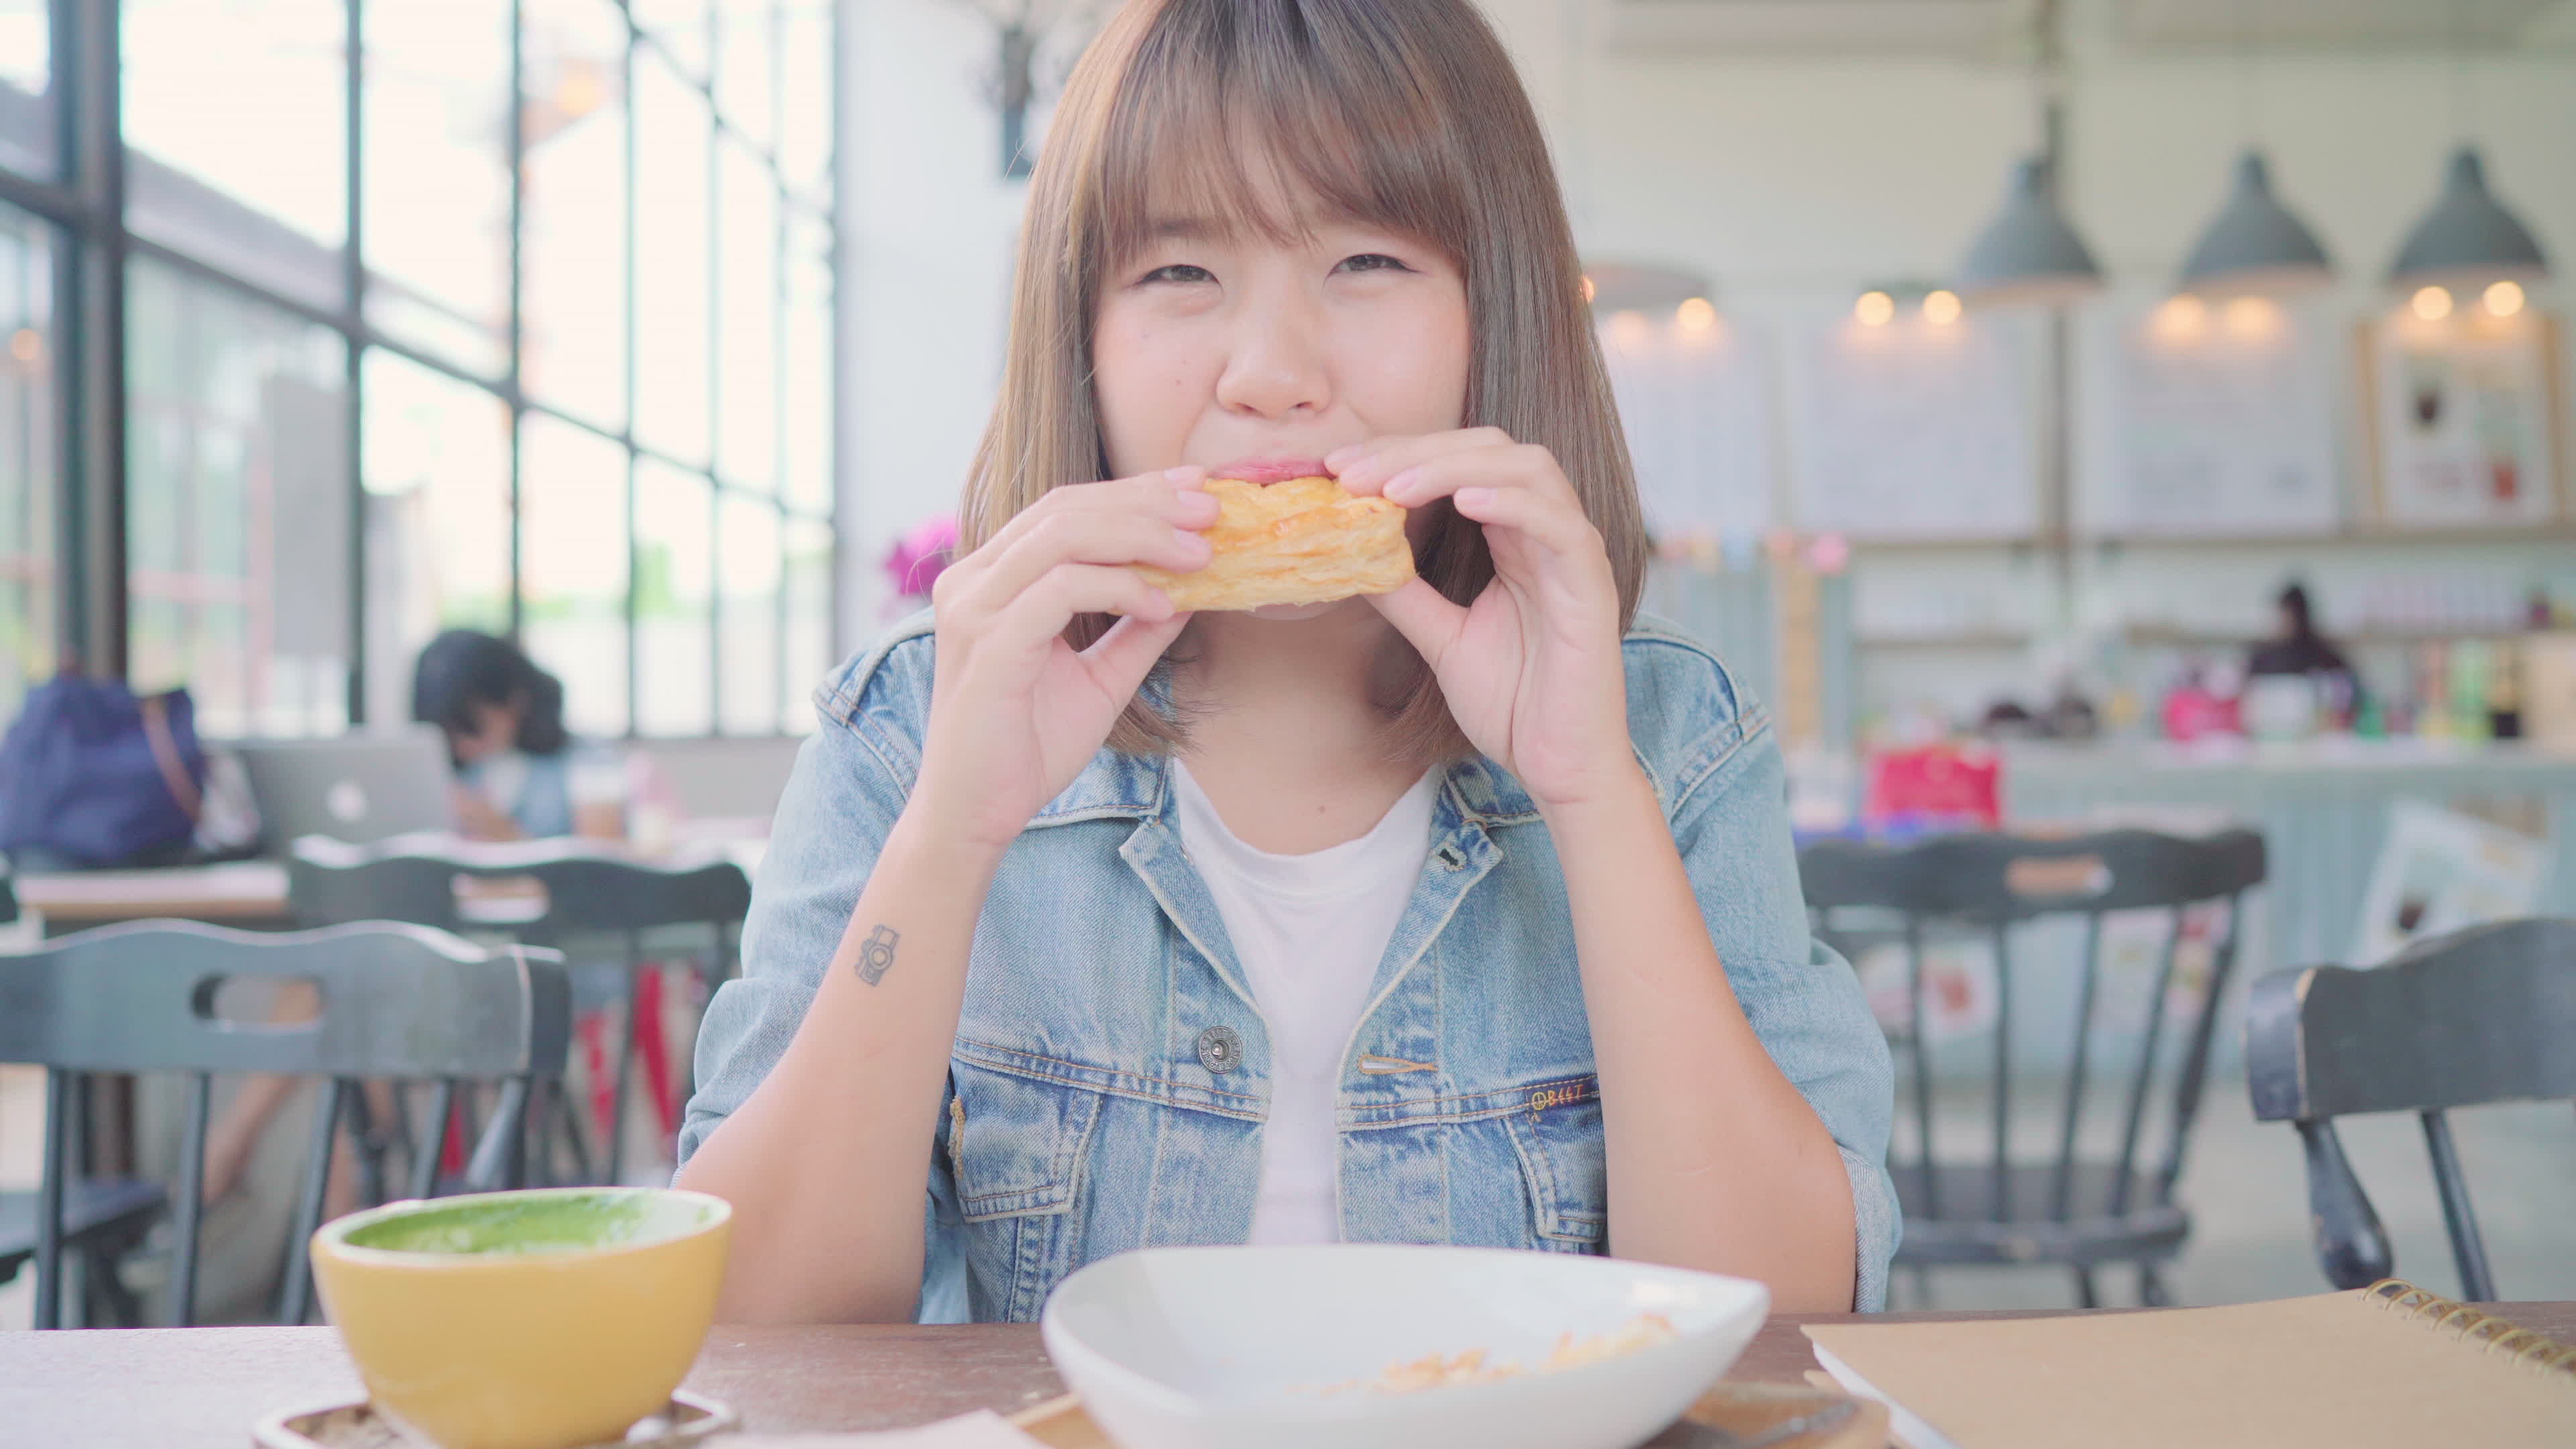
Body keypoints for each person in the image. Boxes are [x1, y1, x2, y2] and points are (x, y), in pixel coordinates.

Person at [677, 0, 1896, 1324]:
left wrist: (1592, 796)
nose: (1271, 374)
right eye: (1179, 275)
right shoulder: (912, 726)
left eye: (1368, 260)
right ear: (1078, 341)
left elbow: (1777, 1323)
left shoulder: (1665, 730)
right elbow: (756, 1329)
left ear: (1500, 317)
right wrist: (949, 835)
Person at [410, 629, 627, 843]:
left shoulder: (588, 762)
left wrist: (511, 840)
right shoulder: (452, 775)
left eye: (473, 728)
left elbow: (600, 870)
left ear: (514, 701)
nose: (463, 746)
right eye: (450, 734)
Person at [2245, 583, 2363, 731]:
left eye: (2290, 616)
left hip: (2321, 741)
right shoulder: (2261, 658)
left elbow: (2351, 702)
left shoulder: (2328, 658)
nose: (2285, 622)